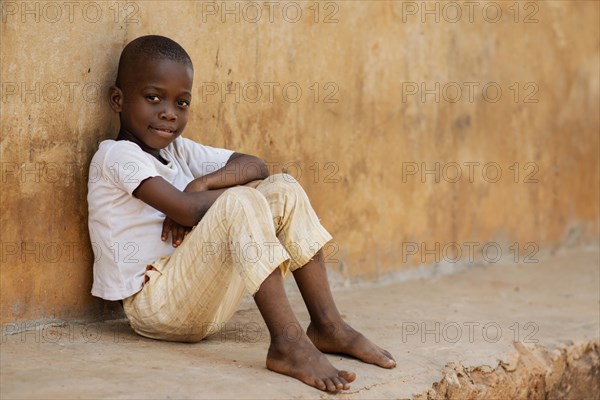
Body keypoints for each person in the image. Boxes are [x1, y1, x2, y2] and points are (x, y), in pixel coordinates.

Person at [87, 35, 395, 392]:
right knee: (239, 201)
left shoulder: (178, 150)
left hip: (201, 299)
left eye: (181, 102)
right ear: (118, 100)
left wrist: (201, 185)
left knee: (284, 188)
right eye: (153, 97)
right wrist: (198, 203)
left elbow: (256, 166)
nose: (169, 112)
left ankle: (328, 325)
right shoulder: (116, 156)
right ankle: (288, 342)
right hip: (157, 308)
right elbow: (185, 212)